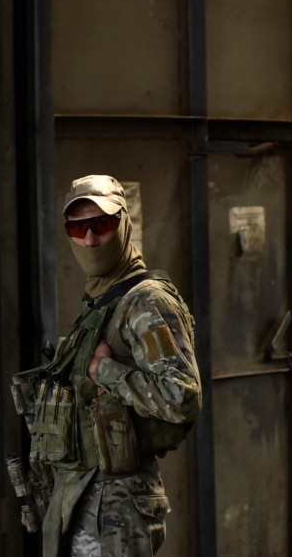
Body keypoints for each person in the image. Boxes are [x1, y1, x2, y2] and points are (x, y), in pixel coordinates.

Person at [32, 174, 202, 556]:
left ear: (123, 225)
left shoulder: (146, 302)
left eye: (102, 224)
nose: (90, 239)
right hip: (84, 496)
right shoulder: (101, 299)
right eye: (78, 227)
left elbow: (183, 396)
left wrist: (107, 372)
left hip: (117, 506)